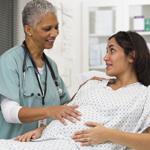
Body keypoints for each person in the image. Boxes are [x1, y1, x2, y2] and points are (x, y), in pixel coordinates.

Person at [12, 31, 150, 150]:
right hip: (47, 139)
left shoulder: (144, 94)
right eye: (106, 51)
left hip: (73, 146)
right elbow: (66, 113)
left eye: (112, 50)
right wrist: (41, 130)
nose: (105, 57)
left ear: (131, 56)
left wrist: (108, 134)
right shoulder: (93, 83)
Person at [0, 0, 82, 139]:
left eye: (56, 27)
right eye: (47, 29)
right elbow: (10, 112)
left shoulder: (51, 66)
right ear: (28, 30)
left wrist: (86, 87)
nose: (55, 33)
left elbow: (65, 106)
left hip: (44, 143)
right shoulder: (10, 61)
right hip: (14, 144)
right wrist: (50, 111)